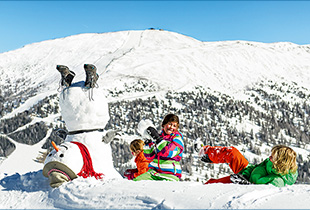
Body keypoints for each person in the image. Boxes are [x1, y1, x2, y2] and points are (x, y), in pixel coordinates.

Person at [199, 144, 298, 187]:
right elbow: (257, 168)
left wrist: (245, 182)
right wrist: (246, 173)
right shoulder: (270, 162)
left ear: (280, 163)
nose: (269, 157)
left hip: (244, 182)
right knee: (232, 152)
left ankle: (201, 191)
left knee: (215, 184)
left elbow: (260, 194)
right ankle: (206, 152)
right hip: (247, 172)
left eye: (273, 157)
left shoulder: (278, 182)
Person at [134, 114, 184, 181]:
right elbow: (149, 156)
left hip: (170, 174)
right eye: (169, 124)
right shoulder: (159, 137)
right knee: (137, 182)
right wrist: (148, 142)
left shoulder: (177, 139)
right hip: (154, 173)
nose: (171, 127)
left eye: (174, 125)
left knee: (163, 189)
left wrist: (158, 139)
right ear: (164, 125)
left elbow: (168, 152)